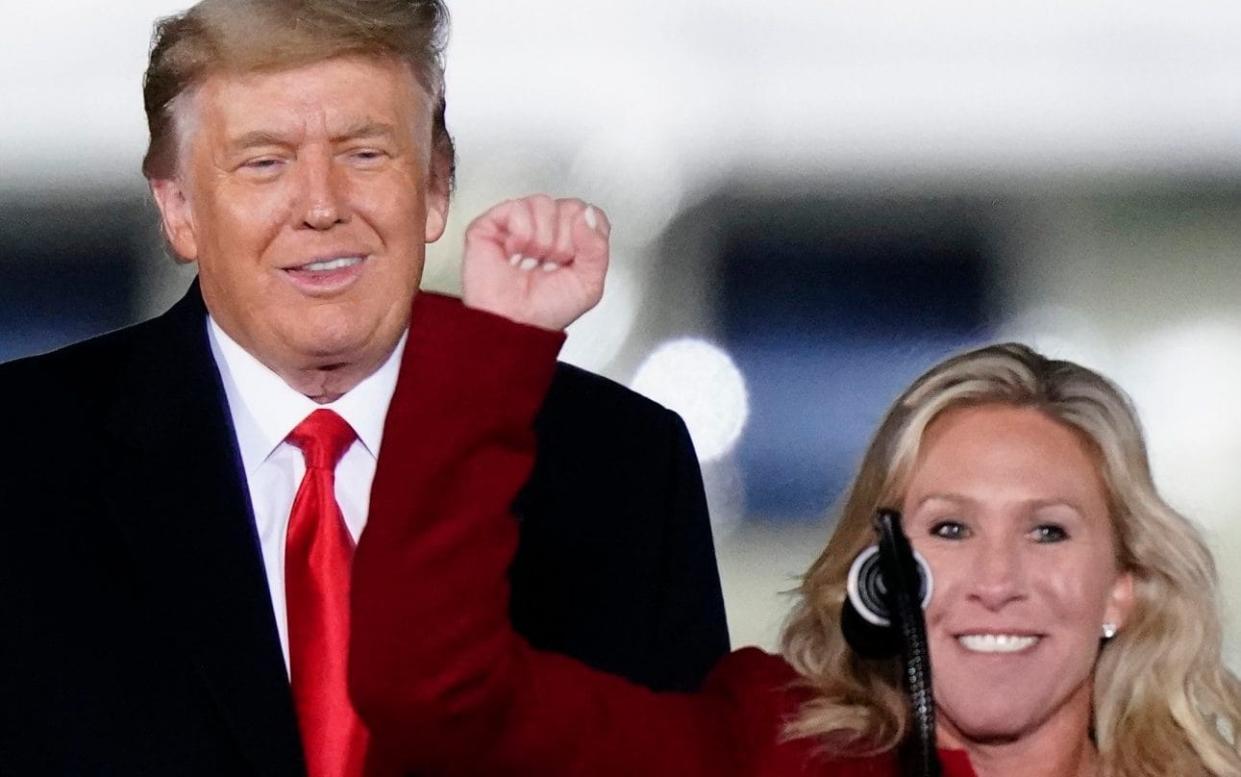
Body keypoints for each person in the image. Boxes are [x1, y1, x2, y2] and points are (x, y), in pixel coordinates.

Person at [0, 2, 728, 775]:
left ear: (438, 186)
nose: (321, 206)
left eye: (365, 154)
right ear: (178, 210)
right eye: (264, 161)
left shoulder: (622, 469)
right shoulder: (21, 460)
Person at [349, 197, 1241, 776]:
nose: (995, 578)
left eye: (1047, 530)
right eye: (949, 529)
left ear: (1121, 586)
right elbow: (434, 692)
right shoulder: (764, 753)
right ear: (878, 576)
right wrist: (501, 346)